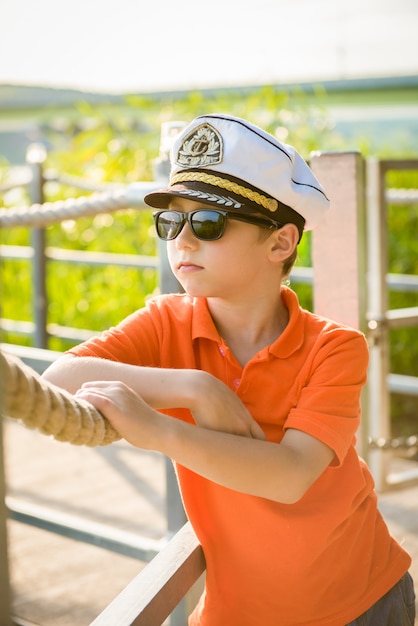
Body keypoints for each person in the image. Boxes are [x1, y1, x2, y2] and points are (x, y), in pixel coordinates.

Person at [43, 113, 415, 626]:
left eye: (209, 223)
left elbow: (289, 476)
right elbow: (56, 381)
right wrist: (195, 387)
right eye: (172, 222)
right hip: (237, 611)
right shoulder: (164, 324)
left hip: (362, 600)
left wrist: (156, 428)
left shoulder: (335, 348)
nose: (183, 241)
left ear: (281, 243)